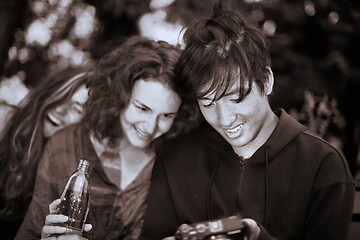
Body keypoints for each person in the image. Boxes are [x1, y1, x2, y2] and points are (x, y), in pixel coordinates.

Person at [139, 7, 355, 240]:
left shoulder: (323, 164)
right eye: (208, 103)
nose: (224, 118)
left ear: (267, 81)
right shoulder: (175, 157)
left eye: (236, 98)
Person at [16, 36, 199, 240]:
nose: (150, 126)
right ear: (120, 95)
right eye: (142, 108)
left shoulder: (171, 167)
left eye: (166, 115)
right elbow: (29, 233)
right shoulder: (65, 145)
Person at [0, 67, 90, 240]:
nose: (60, 110)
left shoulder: (70, 177)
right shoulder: (5, 125)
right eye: (61, 96)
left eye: (76, 109)